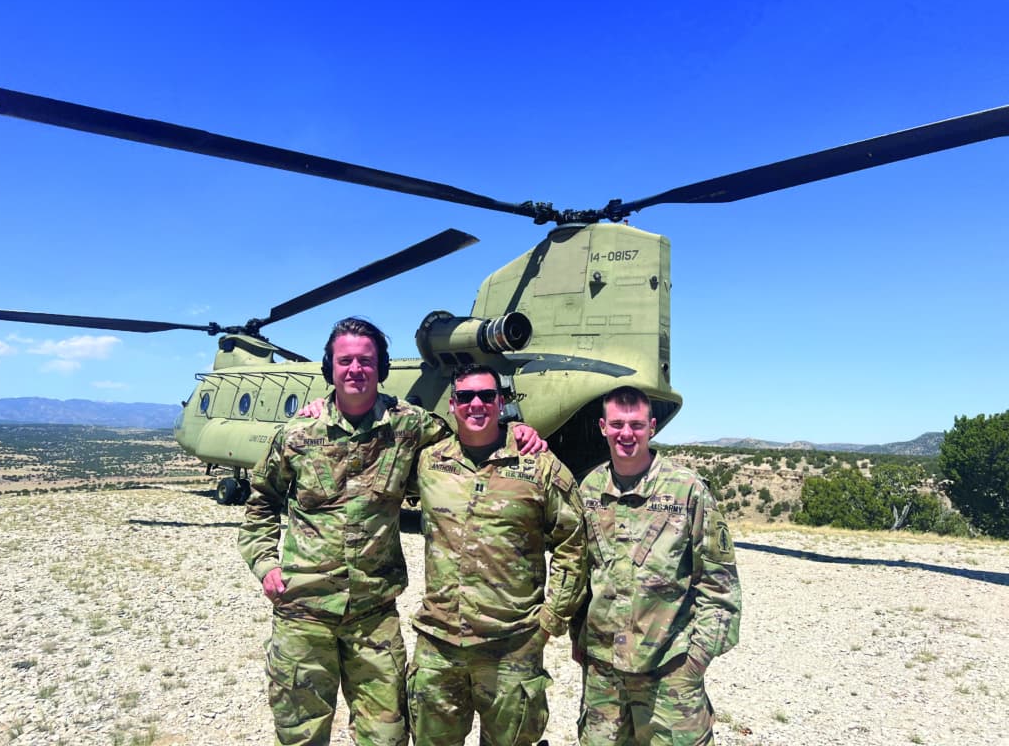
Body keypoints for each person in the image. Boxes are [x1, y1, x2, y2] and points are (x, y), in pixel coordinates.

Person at [237, 319, 544, 746]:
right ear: (331, 368)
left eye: (366, 360)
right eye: (345, 361)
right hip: (302, 614)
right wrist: (266, 564)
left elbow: (469, 438)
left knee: (386, 736)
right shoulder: (297, 434)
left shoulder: (410, 426)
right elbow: (261, 503)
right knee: (299, 735)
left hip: (373, 617)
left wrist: (516, 433)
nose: (356, 369)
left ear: (380, 367)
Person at [406, 363, 587, 746]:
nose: (476, 404)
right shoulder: (429, 461)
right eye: (466, 397)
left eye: (487, 396)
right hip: (439, 644)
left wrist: (551, 620)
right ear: (453, 404)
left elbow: (574, 542)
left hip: (512, 646)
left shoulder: (538, 466)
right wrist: (323, 407)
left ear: (501, 402)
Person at [572, 386, 742, 746]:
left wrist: (695, 661)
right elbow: (582, 573)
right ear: (603, 427)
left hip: (670, 669)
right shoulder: (590, 490)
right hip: (604, 673)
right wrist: (579, 639)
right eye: (617, 424)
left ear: (651, 427)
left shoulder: (687, 491)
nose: (626, 434)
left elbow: (720, 586)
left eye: (636, 425)